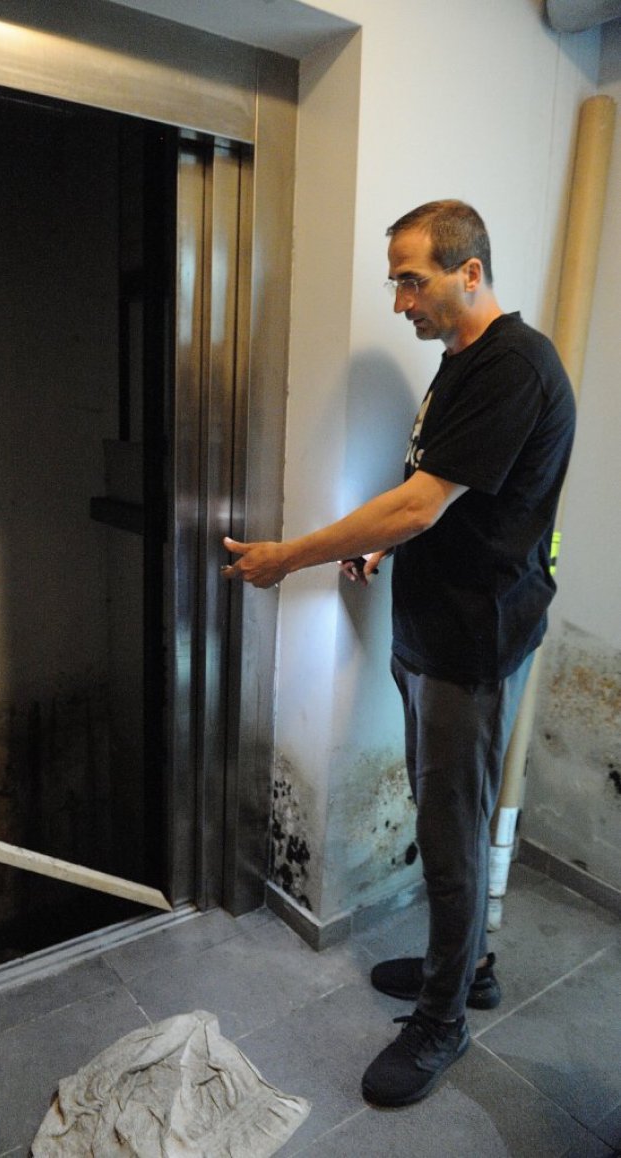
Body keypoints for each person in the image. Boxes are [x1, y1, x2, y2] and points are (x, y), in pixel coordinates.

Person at [222, 200, 575, 1108]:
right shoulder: (460, 362)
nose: (400, 302)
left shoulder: (514, 366)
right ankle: (470, 966)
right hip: (430, 631)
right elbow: (436, 490)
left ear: (470, 271)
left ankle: (444, 1020)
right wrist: (379, 548)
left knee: (450, 841)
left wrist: (288, 558)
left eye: (412, 281)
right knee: (440, 817)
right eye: (396, 283)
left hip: (472, 644)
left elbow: (420, 504)